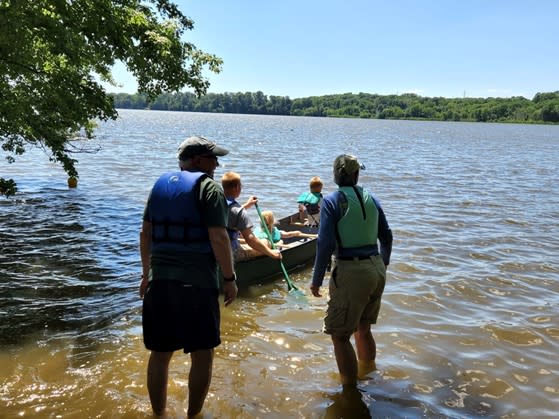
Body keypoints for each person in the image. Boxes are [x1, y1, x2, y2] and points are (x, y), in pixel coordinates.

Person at [139, 135, 238, 418]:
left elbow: (145, 234)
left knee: (159, 354)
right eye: (213, 158)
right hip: (197, 284)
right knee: (202, 354)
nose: (217, 163)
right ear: (197, 160)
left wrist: (146, 275)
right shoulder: (209, 188)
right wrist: (229, 280)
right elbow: (219, 237)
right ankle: (192, 416)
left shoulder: (158, 187)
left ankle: (159, 414)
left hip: (160, 284)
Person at [310, 154, 393, 389]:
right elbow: (387, 237)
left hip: (351, 269)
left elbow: (324, 244)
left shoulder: (332, 201)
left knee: (339, 336)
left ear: (336, 175)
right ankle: (370, 377)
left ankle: (349, 391)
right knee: (363, 329)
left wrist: (316, 280)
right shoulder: (372, 198)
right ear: (356, 175)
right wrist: (382, 264)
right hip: (376, 268)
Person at [221, 171, 282, 261]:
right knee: (266, 243)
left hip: (216, 247)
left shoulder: (217, 202)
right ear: (237, 187)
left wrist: (247, 205)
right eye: (241, 186)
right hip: (231, 252)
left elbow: (231, 212)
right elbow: (250, 239)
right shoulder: (239, 211)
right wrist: (271, 253)